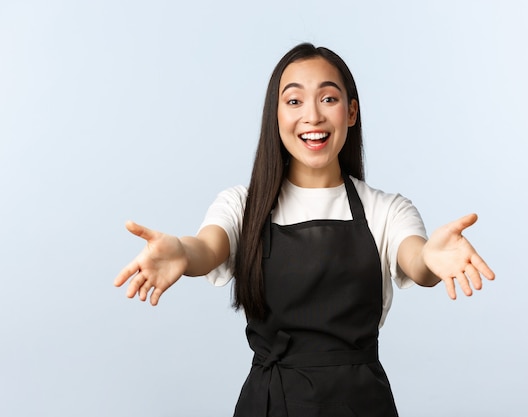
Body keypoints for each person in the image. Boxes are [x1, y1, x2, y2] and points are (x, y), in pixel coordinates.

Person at [114, 43, 495, 417]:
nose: (312, 116)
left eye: (328, 99)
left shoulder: (386, 209)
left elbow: (416, 260)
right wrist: (182, 252)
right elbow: (206, 248)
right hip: (269, 403)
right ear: (275, 115)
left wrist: (430, 257)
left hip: (361, 405)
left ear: (351, 112)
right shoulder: (242, 205)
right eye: (294, 101)